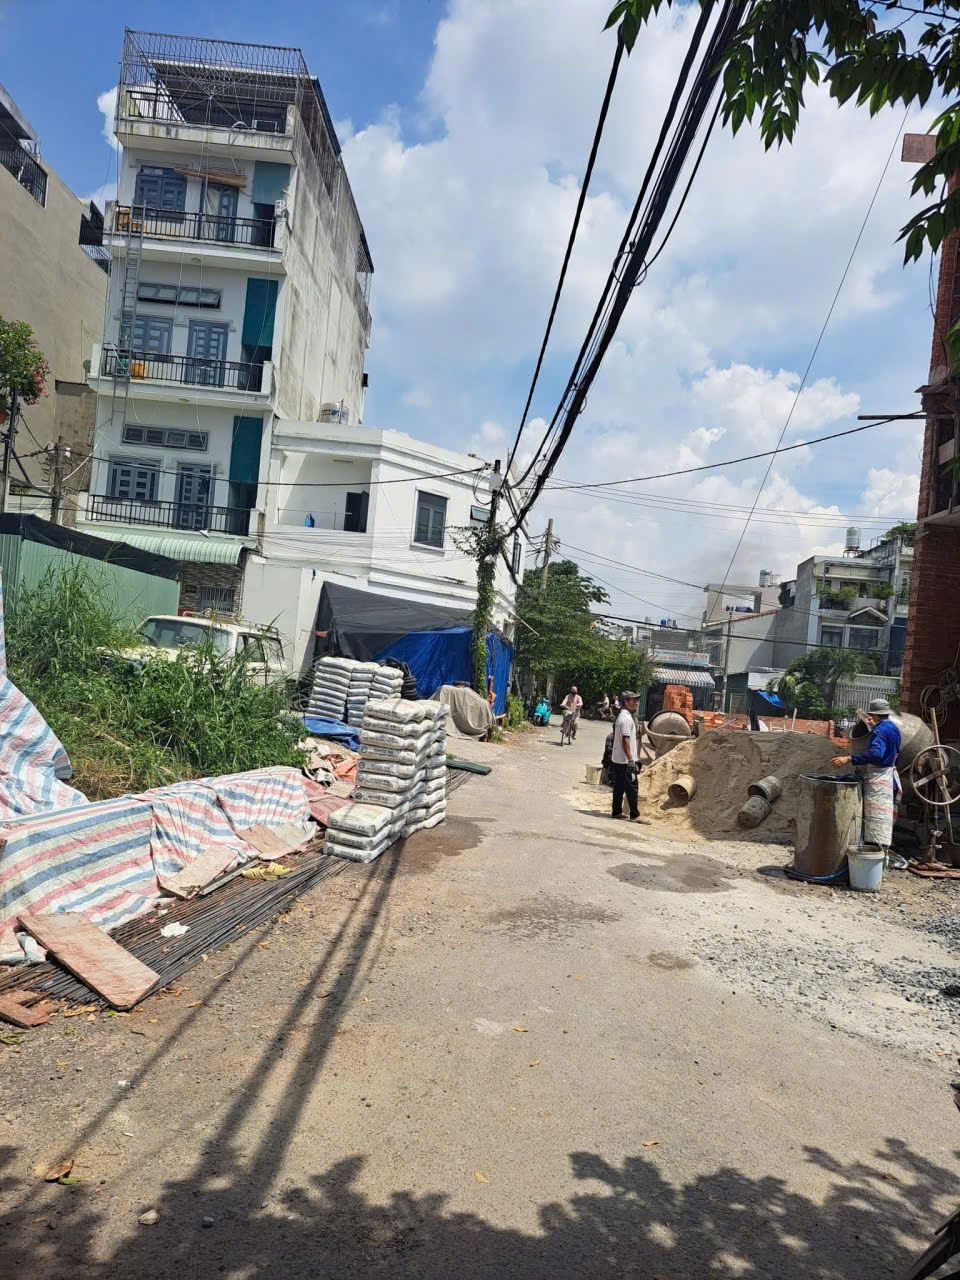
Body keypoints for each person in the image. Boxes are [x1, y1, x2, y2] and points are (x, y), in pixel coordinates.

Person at [832, 698, 902, 852]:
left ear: (874, 715)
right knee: (883, 823)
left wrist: (850, 758)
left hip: (878, 780)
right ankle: (881, 855)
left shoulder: (879, 731)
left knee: (873, 823)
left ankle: (871, 854)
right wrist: (872, 725)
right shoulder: (893, 728)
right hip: (889, 776)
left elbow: (876, 753)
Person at [611, 690, 642, 820]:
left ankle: (616, 812)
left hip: (619, 759)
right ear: (626, 702)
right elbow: (625, 740)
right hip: (625, 761)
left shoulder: (624, 716)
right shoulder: (626, 719)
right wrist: (630, 760)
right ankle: (635, 815)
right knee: (632, 787)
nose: (636, 703)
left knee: (619, 786)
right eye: (633, 700)